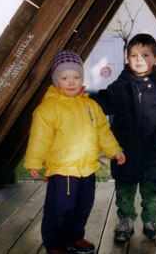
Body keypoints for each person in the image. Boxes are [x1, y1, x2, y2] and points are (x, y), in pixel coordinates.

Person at [24, 50, 126, 254]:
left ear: (82, 79)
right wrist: (34, 161)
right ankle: (55, 243)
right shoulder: (48, 109)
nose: (71, 82)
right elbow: (39, 138)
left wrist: (114, 150)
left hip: (87, 169)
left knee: (83, 207)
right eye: (65, 78)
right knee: (60, 209)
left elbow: (103, 132)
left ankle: (75, 237)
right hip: (63, 170)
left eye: (76, 77)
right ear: (55, 81)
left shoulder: (90, 106)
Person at [90, 33, 156, 242]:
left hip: (153, 151)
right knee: (124, 189)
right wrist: (81, 97)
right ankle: (125, 219)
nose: (139, 59)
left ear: (155, 59)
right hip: (125, 150)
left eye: (145, 54)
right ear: (127, 58)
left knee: (152, 192)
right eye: (133, 55)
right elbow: (103, 101)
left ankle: (151, 220)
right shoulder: (120, 85)